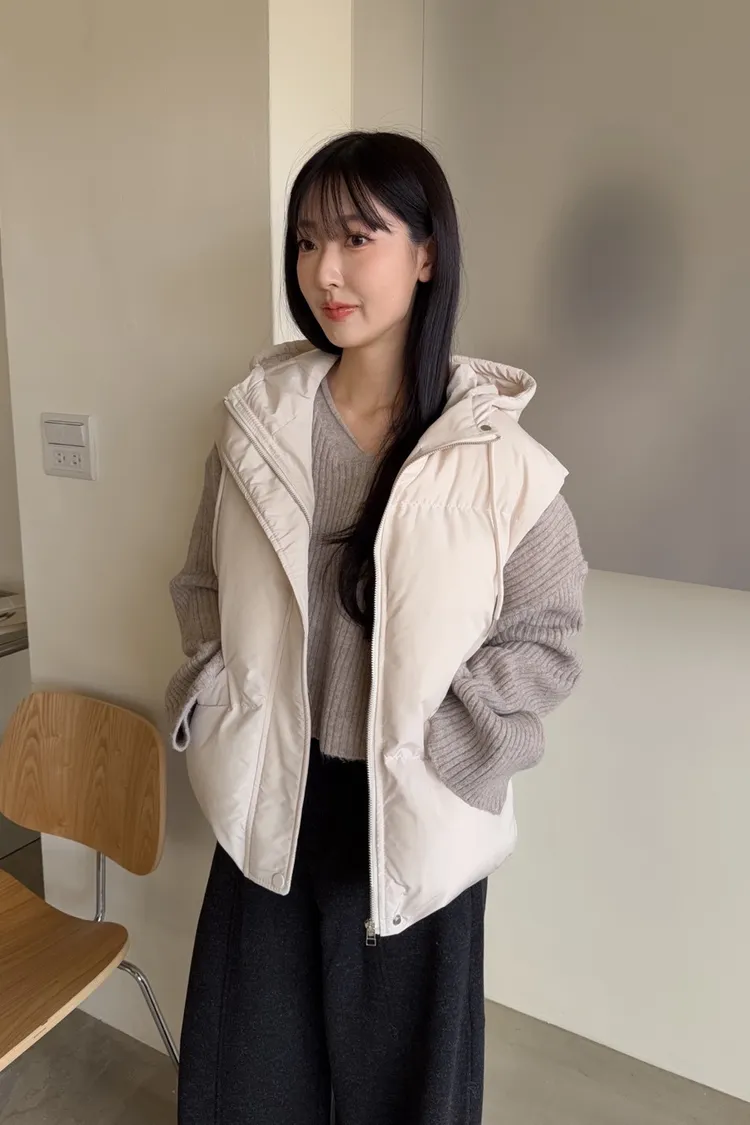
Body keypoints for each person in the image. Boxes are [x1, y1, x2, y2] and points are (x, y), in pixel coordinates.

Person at [166, 130, 587, 1125]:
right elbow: (201, 584)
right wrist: (224, 700)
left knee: (406, 1096)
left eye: (359, 237)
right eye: (309, 240)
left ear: (426, 253)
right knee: (245, 1084)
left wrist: (441, 745)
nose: (326, 271)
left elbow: (547, 635)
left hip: (411, 814)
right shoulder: (256, 427)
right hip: (270, 796)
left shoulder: (496, 458)